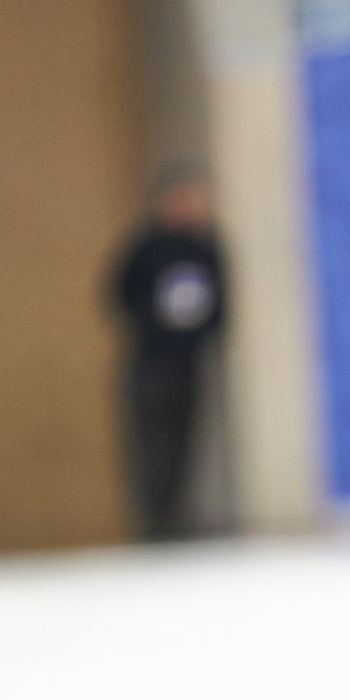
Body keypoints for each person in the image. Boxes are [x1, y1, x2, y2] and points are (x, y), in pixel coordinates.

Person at [106, 161, 227, 542]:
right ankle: (155, 519)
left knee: (185, 437)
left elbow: (221, 301)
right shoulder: (147, 247)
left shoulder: (207, 248)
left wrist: (206, 335)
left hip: (189, 361)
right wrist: (155, 325)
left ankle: (179, 515)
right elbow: (120, 295)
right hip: (152, 361)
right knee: (151, 440)